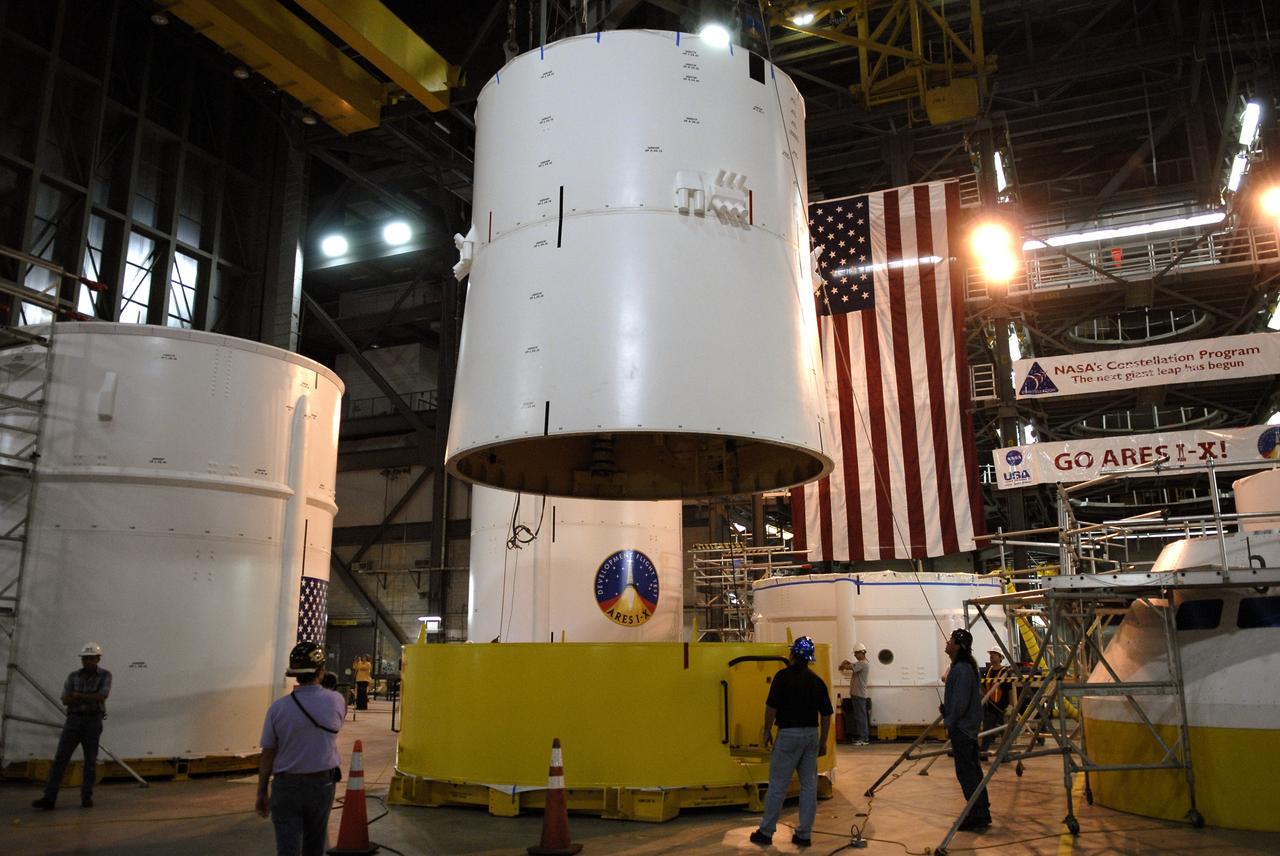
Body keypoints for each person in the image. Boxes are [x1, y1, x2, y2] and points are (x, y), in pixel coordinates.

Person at [257, 641, 346, 856]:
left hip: (286, 786)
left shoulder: (277, 709)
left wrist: (261, 793)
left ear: (295, 674)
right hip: (321, 784)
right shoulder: (336, 700)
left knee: (287, 847)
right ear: (321, 671)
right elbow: (336, 727)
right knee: (315, 845)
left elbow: (268, 753)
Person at [750, 636, 833, 849]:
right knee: (808, 786)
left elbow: (771, 708)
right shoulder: (817, 681)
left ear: (793, 654)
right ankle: (804, 835)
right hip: (811, 736)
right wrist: (823, 741)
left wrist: (767, 730)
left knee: (778, 785)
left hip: (788, 736)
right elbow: (826, 715)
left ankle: (766, 832)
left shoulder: (782, 677)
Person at [31, 642, 112, 810]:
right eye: (85, 659)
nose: (87, 662)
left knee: (90, 760)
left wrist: (77, 696)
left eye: (90, 659)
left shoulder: (105, 675)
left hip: (93, 720)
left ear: (98, 658)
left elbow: (102, 697)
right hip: (74, 720)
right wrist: (86, 697)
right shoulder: (73, 676)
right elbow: (65, 699)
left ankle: (86, 797)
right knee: (60, 759)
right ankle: (49, 797)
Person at [942, 629, 993, 831]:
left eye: (950, 640)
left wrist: (950, 719)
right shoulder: (961, 667)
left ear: (957, 646)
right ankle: (980, 811)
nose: (947, 643)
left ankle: (978, 813)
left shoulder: (962, 669)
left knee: (967, 773)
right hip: (965, 727)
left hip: (962, 729)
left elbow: (961, 702)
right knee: (971, 771)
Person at [837, 642, 871, 745]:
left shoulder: (863, 663)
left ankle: (864, 738)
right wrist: (846, 664)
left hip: (859, 694)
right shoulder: (860, 663)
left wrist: (845, 664)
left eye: (856, 653)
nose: (855, 655)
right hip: (856, 693)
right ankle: (861, 736)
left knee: (861, 717)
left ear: (861, 652)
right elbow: (849, 666)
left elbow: (848, 667)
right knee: (859, 716)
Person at [980, 647, 1011, 753]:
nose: (991, 656)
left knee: (1004, 732)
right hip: (990, 706)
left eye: (994, 654)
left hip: (1001, 707)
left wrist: (1011, 706)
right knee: (987, 731)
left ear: (1000, 657)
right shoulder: (988, 671)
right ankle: (983, 752)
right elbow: (984, 687)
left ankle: (1005, 754)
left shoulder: (1005, 672)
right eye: (991, 654)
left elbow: (1010, 690)